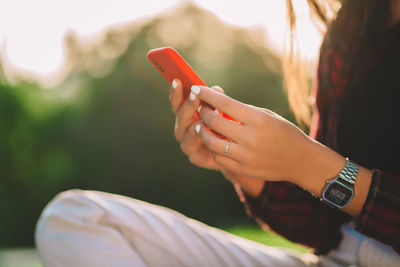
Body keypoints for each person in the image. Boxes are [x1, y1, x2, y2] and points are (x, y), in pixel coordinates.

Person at [35, 0, 400, 266]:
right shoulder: (353, 24)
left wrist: (310, 164)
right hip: (340, 258)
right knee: (73, 219)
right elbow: (324, 231)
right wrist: (242, 163)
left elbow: (318, 173)